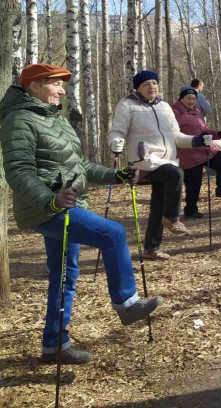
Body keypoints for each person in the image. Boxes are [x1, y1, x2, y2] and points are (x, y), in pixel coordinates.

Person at [0, 64, 163, 364]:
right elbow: (19, 172)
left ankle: (54, 345)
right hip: (48, 208)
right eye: (55, 84)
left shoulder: (56, 120)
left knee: (65, 275)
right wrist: (50, 201)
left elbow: (81, 167)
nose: (62, 90)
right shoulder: (18, 120)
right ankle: (126, 303)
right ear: (34, 86)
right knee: (113, 233)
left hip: (67, 203)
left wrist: (119, 176)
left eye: (62, 85)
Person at [109, 70, 216, 260]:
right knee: (176, 174)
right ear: (137, 88)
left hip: (166, 160)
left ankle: (151, 248)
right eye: (146, 84)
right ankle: (172, 218)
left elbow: (177, 137)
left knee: (158, 203)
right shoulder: (127, 105)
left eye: (154, 83)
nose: (151, 87)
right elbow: (117, 131)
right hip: (144, 161)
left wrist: (197, 140)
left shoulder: (165, 106)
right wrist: (115, 142)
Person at [172, 88, 221, 219]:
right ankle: (190, 210)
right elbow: (173, 134)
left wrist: (216, 134)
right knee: (194, 183)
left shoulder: (196, 112)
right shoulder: (174, 112)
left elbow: (205, 129)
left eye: (194, 99)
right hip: (188, 152)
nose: (191, 101)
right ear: (181, 99)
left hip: (205, 149)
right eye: (188, 98)